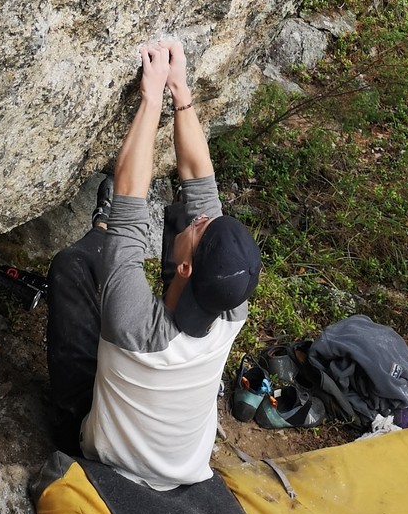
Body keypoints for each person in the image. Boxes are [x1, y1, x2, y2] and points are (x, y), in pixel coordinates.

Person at [45, 36, 261, 490]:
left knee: (72, 266)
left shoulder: (134, 326)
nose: (203, 218)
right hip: (182, 465)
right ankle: (112, 242)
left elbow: (129, 197)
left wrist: (150, 98)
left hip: (107, 459)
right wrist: (179, 91)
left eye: (204, 229)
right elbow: (201, 185)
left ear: (186, 270)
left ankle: (67, 416)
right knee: (179, 216)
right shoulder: (231, 307)